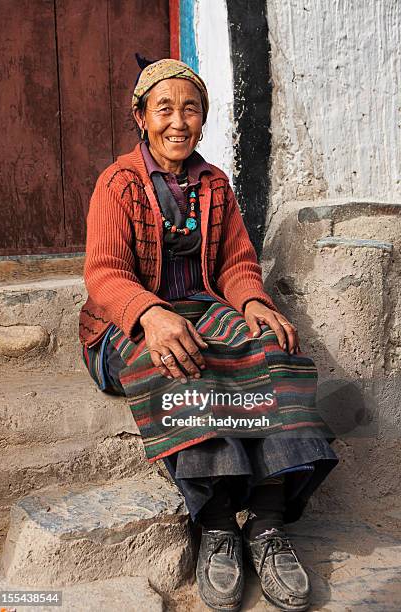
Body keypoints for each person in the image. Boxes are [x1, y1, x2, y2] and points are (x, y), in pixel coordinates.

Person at [78, 56, 338, 612]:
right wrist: (148, 313)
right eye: (164, 108)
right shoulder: (118, 183)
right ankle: (219, 525)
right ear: (140, 116)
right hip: (124, 321)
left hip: (201, 305)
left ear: (203, 118)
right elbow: (103, 275)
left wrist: (251, 301)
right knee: (180, 366)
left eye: (190, 108)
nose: (178, 121)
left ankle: (266, 524)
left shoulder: (214, 183)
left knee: (274, 351)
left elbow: (235, 263)